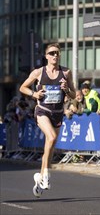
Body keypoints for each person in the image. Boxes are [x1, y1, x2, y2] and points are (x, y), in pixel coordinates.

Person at [19, 42, 76, 197]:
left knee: (49, 146)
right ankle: (46, 175)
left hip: (58, 112)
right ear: (46, 56)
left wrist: (66, 90)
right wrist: (34, 94)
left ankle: (40, 177)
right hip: (43, 111)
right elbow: (23, 87)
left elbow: (74, 95)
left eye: (57, 53)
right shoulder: (38, 72)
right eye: (52, 53)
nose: (55, 55)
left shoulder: (66, 72)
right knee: (51, 137)